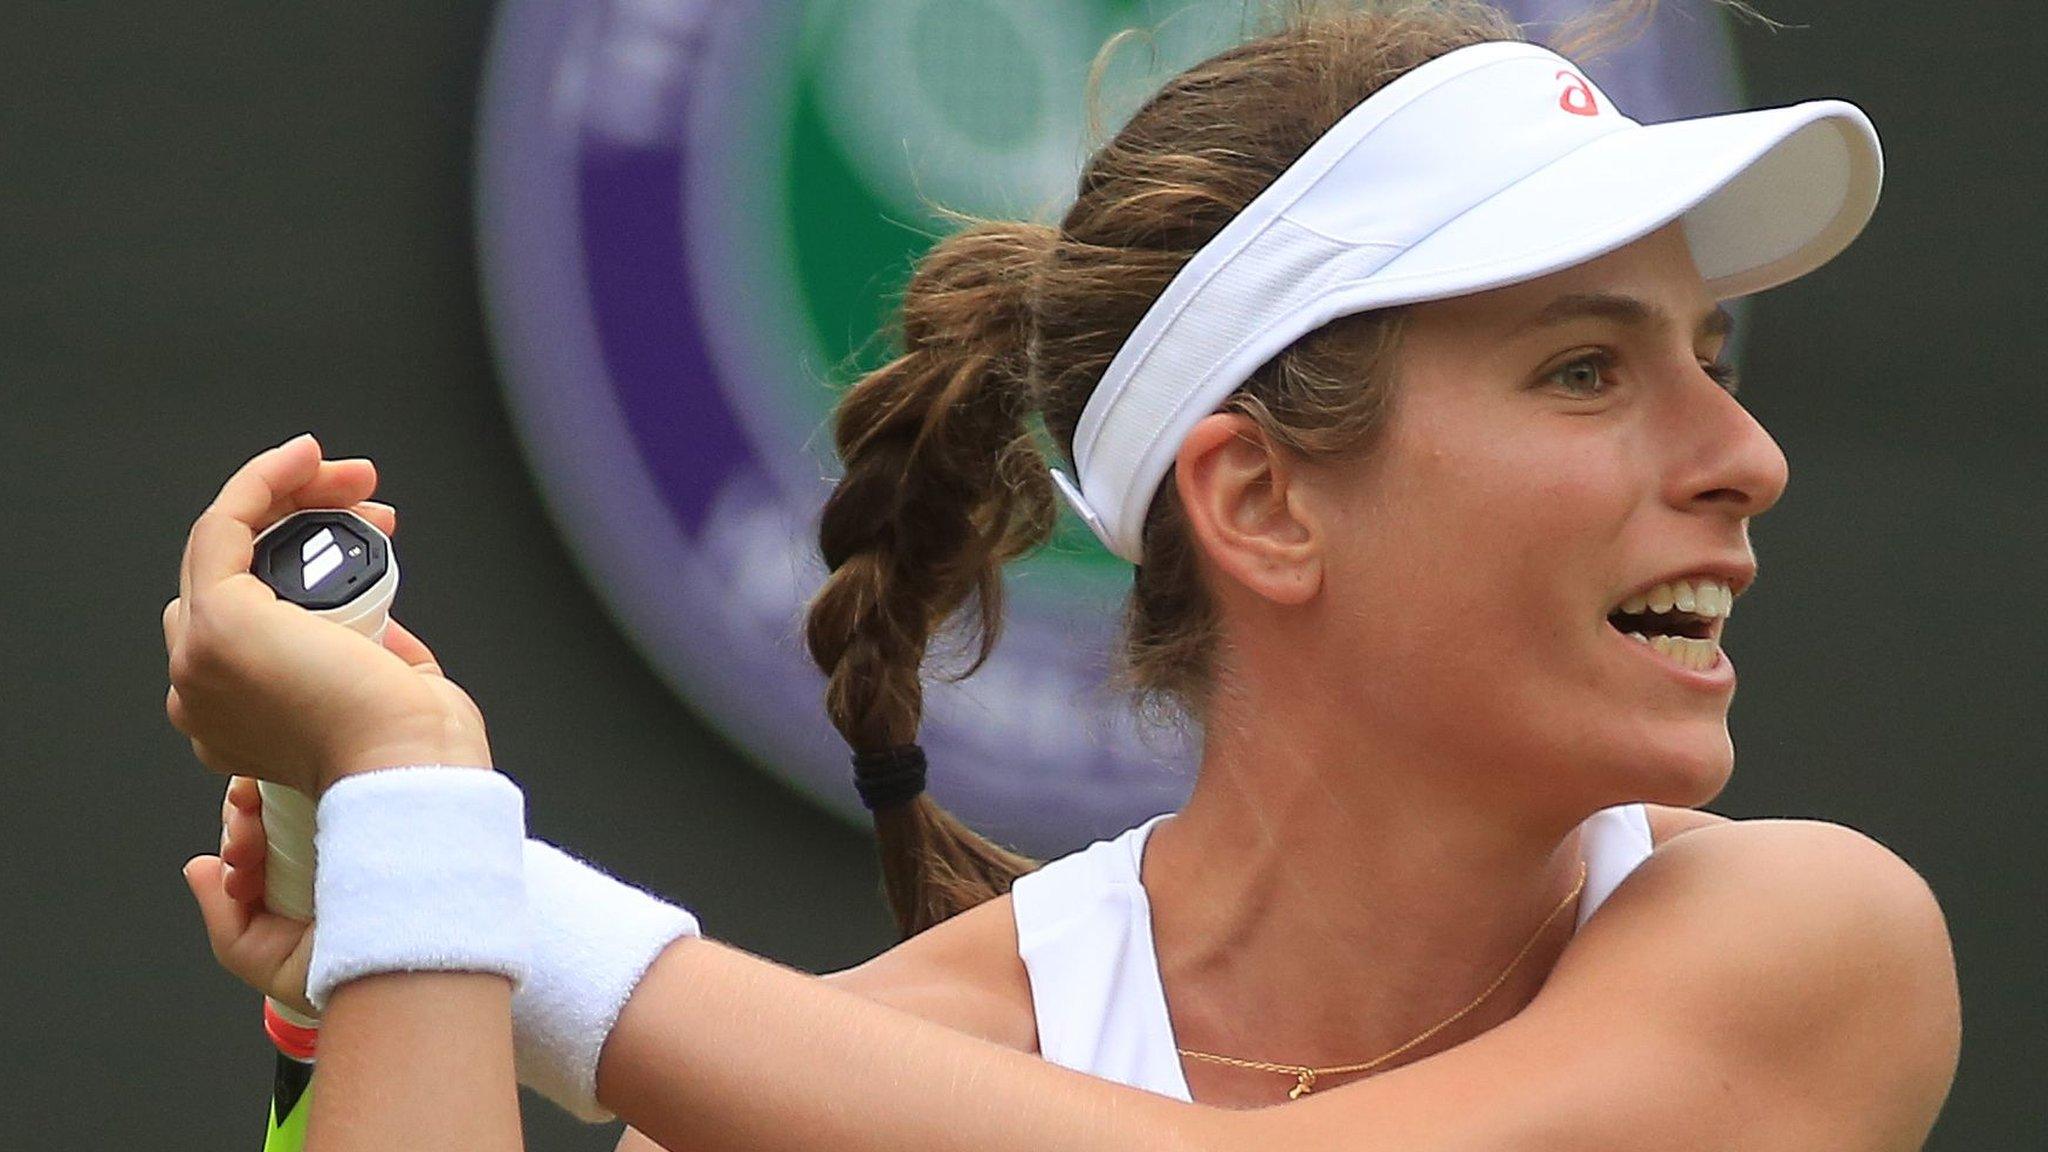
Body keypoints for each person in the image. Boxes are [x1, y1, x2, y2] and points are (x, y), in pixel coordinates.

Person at [167, 4, 1960, 1149]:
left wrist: (476, 885)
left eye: (1708, 358)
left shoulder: (1817, 949)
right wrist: (393, 862)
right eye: (1587, 368)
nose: (1746, 453)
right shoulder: (816, 1092)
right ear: (1260, 502)